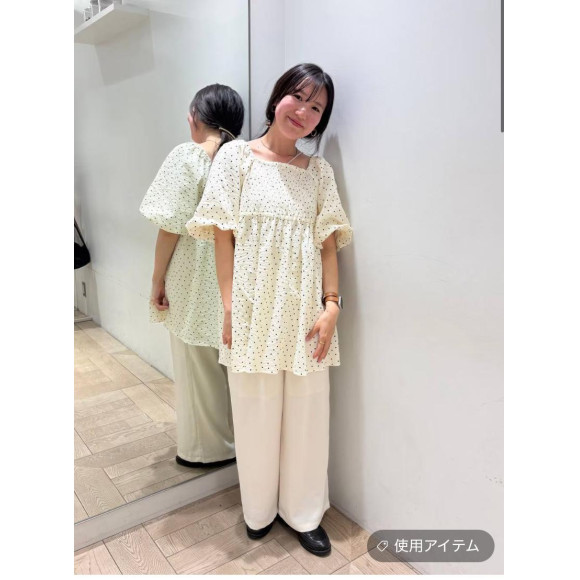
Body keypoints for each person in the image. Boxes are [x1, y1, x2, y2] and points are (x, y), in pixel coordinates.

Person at [186, 64, 353, 557]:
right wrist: (229, 305)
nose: (304, 111)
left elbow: (328, 242)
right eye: (297, 97)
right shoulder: (236, 157)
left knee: (308, 413)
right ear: (278, 97)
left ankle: (304, 513)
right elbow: (222, 236)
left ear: (322, 120)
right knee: (254, 410)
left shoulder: (319, 172)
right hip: (252, 308)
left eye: (317, 107)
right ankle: (258, 511)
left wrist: (332, 306)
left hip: (305, 312)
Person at [139, 84, 244, 469]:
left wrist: (157, 280)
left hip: (192, 280)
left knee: (195, 367)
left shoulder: (188, 156)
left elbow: (170, 227)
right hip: (234, 281)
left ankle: (207, 451)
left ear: (195, 117)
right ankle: (238, 443)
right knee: (227, 367)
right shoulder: (244, 160)